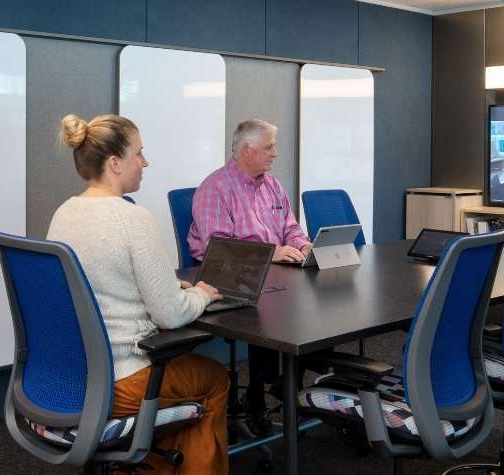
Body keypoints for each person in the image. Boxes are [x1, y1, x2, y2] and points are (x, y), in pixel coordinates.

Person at [46, 113, 228, 474]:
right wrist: (204, 293)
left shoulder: (65, 213)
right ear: (115, 163)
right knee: (215, 381)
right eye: (139, 153)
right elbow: (171, 315)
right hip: (125, 378)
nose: (145, 162)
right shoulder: (134, 219)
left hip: (73, 373)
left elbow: (99, 277)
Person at [186, 119, 310, 435]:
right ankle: (257, 390)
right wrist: (272, 251)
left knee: (319, 305)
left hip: (277, 273)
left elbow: (290, 227)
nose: (274, 153)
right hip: (228, 277)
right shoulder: (215, 188)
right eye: (268, 147)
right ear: (246, 150)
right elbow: (221, 249)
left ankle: (289, 383)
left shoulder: (272, 185)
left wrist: (302, 244)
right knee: (266, 312)